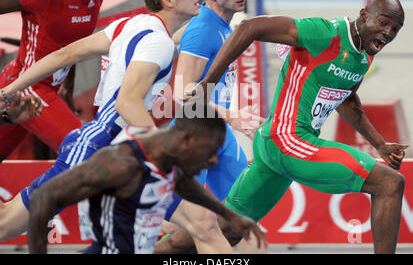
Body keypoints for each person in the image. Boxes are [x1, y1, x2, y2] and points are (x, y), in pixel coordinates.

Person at [0, 0, 201, 242]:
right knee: (80, 151)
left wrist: (65, 88)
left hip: (52, 95)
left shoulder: (104, 1)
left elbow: (67, 52)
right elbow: (122, 99)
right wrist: (8, 90)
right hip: (29, 90)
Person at [190, 0, 408, 254]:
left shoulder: (364, 57)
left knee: (224, 232)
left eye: (395, 28)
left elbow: (346, 99)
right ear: (364, 15)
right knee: (390, 183)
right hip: (288, 139)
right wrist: (207, 83)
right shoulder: (325, 33)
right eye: (383, 23)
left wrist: (380, 144)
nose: (388, 33)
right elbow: (250, 27)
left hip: (275, 148)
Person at [27, 104, 267, 254]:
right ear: (187, 141)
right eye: (210, 151)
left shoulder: (168, 156)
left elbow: (186, 186)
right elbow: (43, 197)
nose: (213, 160)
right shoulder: (119, 164)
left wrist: (230, 216)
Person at [154, 0, 264, 254]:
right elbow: (182, 95)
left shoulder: (220, 25)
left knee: (245, 222)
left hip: (219, 138)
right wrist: (233, 117)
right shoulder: (203, 28)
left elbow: (179, 37)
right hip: (193, 139)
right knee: (202, 229)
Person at [0, 0, 111, 162]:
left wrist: (68, 85)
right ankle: (37, 196)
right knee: (86, 152)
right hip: (26, 88)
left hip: (45, 90)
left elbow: (73, 47)